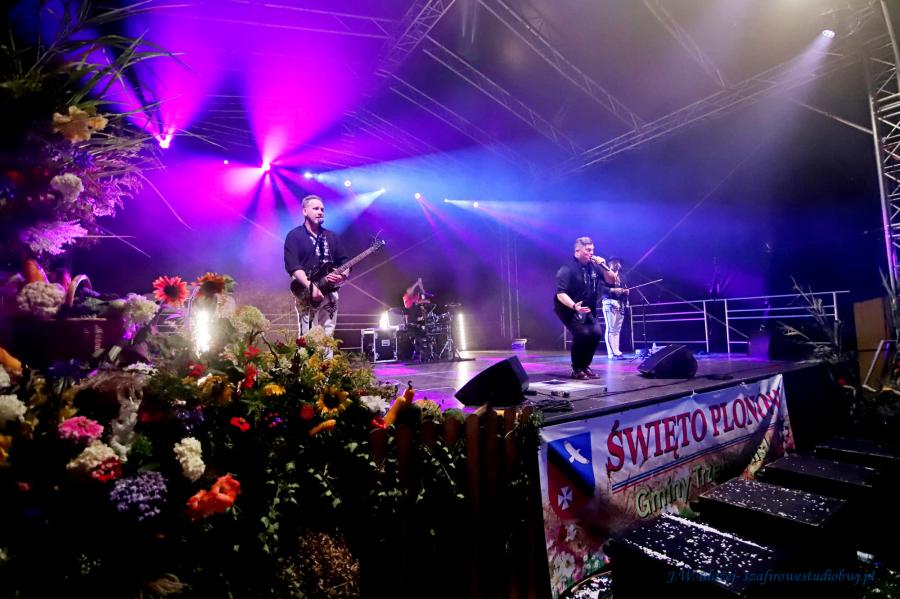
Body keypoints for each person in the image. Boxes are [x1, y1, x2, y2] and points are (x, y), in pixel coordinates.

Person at [284, 195, 350, 337]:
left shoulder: (331, 236)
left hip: (330, 292)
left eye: (322, 209)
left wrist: (342, 276)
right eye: (315, 208)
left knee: (328, 334)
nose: (320, 212)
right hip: (306, 291)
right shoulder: (294, 235)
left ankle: (327, 353)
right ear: (304, 211)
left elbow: (344, 261)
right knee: (308, 336)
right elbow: (293, 266)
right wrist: (311, 288)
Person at [554, 237, 606, 379]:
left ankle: (585, 366)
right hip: (568, 307)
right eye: (588, 250)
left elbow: (612, 279)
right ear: (577, 251)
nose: (591, 253)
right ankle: (577, 368)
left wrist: (604, 266)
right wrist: (573, 306)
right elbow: (561, 293)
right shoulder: (567, 268)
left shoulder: (594, 266)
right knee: (582, 333)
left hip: (587, 309)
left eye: (592, 250)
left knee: (596, 334)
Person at [599, 257, 629, 359]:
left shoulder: (622, 277)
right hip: (609, 301)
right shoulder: (604, 274)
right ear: (609, 264)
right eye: (613, 262)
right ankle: (612, 353)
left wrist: (626, 291)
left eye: (618, 262)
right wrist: (613, 290)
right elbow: (600, 288)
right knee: (611, 328)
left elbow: (625, 288)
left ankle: (617, 351)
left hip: (620, 303)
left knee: (617, 329)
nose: (616, 264)